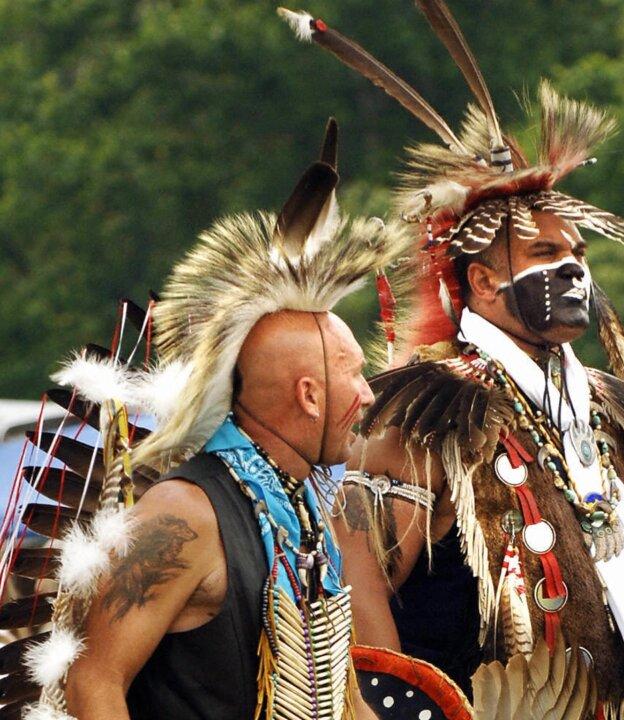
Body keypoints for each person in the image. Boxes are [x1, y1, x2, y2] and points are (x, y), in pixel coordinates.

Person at [279, 5, 624, 718]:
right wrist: (396, 701)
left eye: (578, 253)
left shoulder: (608, 409)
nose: (574, 269)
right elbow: (354, 564)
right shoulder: (428, 411)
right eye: (545, 253)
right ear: (483, 282)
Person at [12, 120, 409, 720]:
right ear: (308, 396)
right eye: (353, 374)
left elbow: (340, 696)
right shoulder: (185, 515)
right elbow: (93, 681)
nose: (368, 394)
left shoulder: (303, 514)